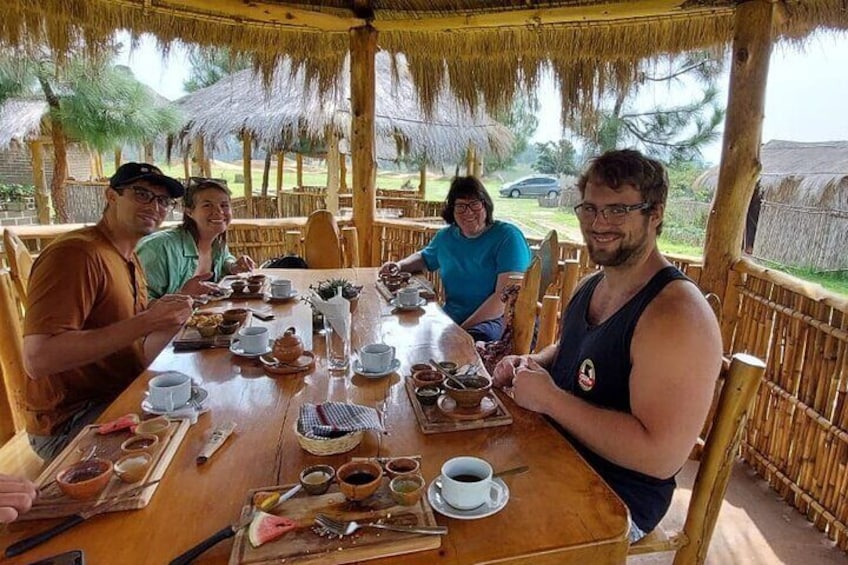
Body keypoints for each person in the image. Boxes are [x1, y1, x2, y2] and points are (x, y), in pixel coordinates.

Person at [492, 150, 722, 542]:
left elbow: (660, 457)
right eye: (590, 209)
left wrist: (550, 400)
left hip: (615, 500)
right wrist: (531, 363)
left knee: (480, 536)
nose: (599, 224)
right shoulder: (592, 285)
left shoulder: (676, 316)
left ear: (656, 214)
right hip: (555, 455)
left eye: (618, 210)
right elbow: (571, 353)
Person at [23, 162, 194, 461]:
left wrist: (167, 313)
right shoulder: (76, 254)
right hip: (73, 420)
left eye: (163, 200)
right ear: (111, 196)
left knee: (204, 407)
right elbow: (38, 359)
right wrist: (148, 320)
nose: (155, 206)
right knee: (186, 456)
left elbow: (131, 330)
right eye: (142, 194)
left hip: (121, 394)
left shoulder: (127, 255)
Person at [379, 176, 531, 342]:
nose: (468, 212)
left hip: (494, 322)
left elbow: (504, 299)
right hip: (452, 317)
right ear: (452, 210)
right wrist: (399, 266)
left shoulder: (508, 237)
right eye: (460, 206)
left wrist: (461, 329)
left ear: (485, 204)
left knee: (469, 344)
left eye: (474, 204)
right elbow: (424, 257)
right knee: (406, 331)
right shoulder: (446, 237)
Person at [137, 177, 255, 299]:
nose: (219, 211)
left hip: (209, 316)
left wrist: (232, 266)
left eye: (224, 205)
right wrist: (182, 295)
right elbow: (138, 305)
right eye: (207, 205)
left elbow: (225, 259)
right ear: (189, 212)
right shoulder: (158, 249)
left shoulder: (217, 244)